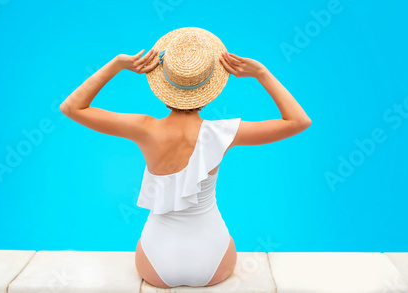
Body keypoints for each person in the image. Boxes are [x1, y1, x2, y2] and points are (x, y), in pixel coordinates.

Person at [60, 27, 311, 288]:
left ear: (163, 84)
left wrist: (117, 64)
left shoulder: (143, 128)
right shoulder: (225, 133)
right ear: (210, 88)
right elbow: (298, 121)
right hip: (214, 260)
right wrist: (261, 73)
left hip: (156, 262)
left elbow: (71, 107)